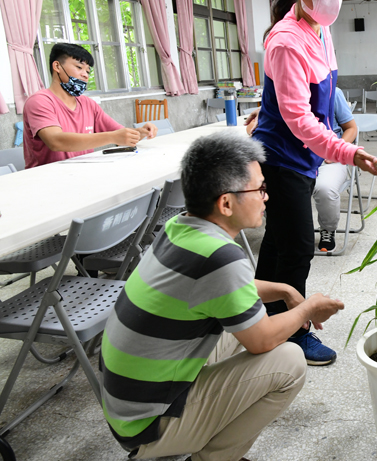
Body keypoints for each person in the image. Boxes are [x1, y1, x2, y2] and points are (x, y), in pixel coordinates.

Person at [100, 133, 345, 461]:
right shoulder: (219, 256)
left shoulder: (182, 227)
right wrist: (309, 307)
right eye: (259, 188)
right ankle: (211, 457)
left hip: (129, 403)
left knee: (238, 324)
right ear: (226, 203)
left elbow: (230, 287)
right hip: (149, 425)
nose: (267, 196)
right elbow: (261, 340)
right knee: (289, 362)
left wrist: (286, 291)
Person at [247, 0, 377, 366]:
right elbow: (297, 118)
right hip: (281, 155)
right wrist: (348, 152)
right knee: (299, 244)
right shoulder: (285, 40)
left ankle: (261, 320)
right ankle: (294, 329)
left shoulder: (320, 31)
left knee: (281, 242)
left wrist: (336, 148)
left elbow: (321, 103)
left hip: (303, 157)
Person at [22, 43, 157, 168]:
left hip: (84, 173)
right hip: (48, 180)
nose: (85, 75)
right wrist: (112, 136)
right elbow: (56, 141)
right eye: (79, 67)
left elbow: (120, 136)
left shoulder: (87, 104)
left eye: (87, 71)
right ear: (57, 66)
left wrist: (140, 132)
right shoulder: (39, 101)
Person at [314, 88, 357, 252]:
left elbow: (351, 128)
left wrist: (336, 150)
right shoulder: (291, 90)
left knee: (324, 189)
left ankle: (328, 230)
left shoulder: (333, 92)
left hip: (329, 157)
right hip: (299, 156)